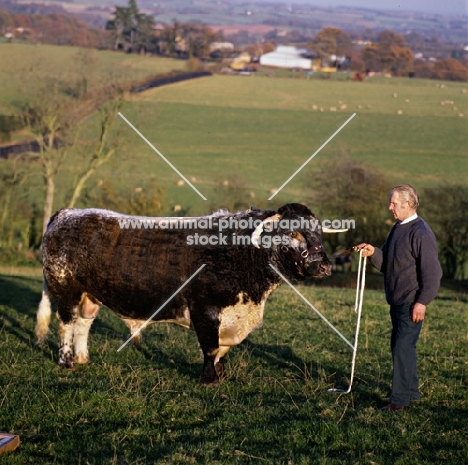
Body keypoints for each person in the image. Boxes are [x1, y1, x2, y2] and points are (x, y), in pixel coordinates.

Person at [355, 184, 442, 412]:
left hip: (411, 301)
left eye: (393, 203)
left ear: (408, 204)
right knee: (401, 347)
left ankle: (399, 401)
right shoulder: (397, 228)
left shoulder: (420, 233)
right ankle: (412, 392)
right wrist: (373, 252)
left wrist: (422, 302)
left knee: (402, 347)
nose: (390, 207)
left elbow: (433, 273)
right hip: (395, 299)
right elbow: (387, 263)